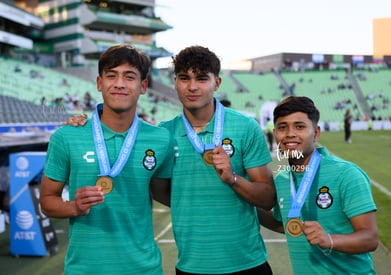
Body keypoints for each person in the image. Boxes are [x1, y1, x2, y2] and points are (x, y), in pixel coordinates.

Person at [65, 45, 276, 275]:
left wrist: (233, 179)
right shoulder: (163, 135)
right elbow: (160, 191)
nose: (192, 86)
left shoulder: (246, 127)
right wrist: (84, 124)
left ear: (217, 83)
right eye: (184, 78)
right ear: (175, 82)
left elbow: (267, 198)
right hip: (191, 266)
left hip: (248, 264)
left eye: (202, 78)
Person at [40, 44, 174, 275]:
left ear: (143, 86)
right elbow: (47, 201)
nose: (119, 83)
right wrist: (74, 206)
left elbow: (168, 194)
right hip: (85, 269)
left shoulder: (160, 139)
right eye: (111, 75)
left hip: (143, 268)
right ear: (100, 83)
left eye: (129, 76)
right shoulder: (67, 136)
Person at [259, 96, 378, 275]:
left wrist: (330, 240)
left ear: (316, 133)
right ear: (275, 133)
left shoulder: (346, 174)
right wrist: (245, 204)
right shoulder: (283, 179)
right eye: (283, 127)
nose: (290, 133)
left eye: (299, 126)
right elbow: (286, 224)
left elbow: (370, 238)